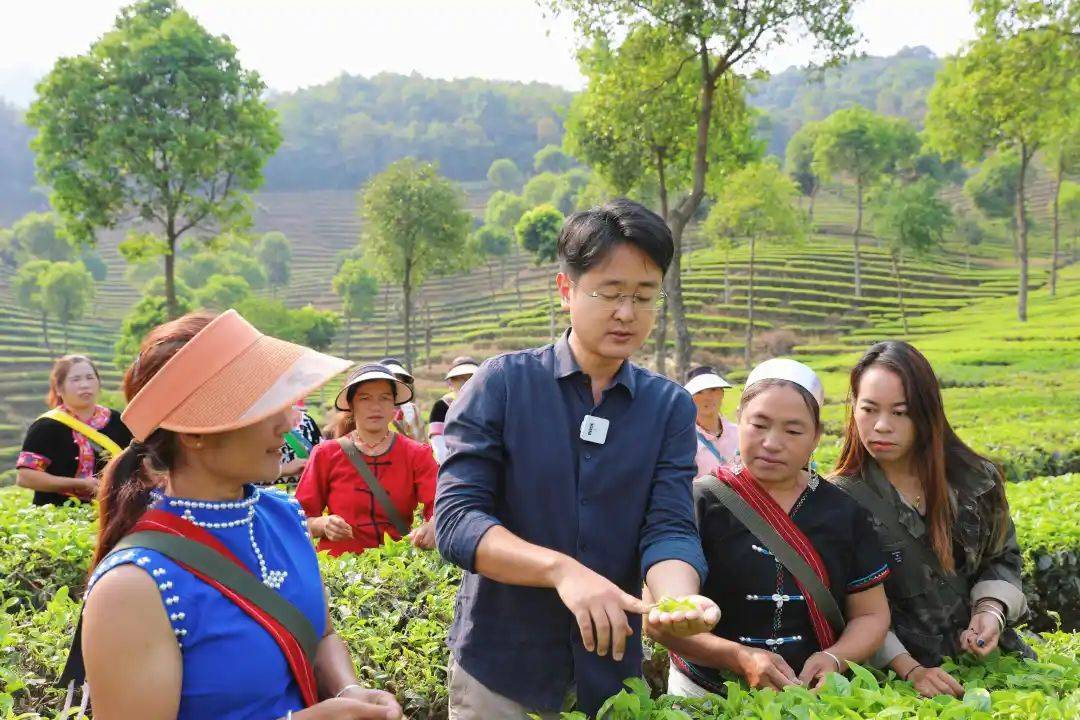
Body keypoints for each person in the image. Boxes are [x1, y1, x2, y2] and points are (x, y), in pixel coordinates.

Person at [435, 199, 720, 719]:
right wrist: (562, 571)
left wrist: (677, 601)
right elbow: (457, 522)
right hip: (501, 668)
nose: (627, 313)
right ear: (566, 290)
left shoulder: (668, 408)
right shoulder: (502, 385)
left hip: (608, 674)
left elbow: (670, 526)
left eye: (644, 296)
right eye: (610, 293)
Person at [78, 310, 403, 719]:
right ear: (194, 431)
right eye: (264, 405)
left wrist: (349, 689)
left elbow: (320, 636)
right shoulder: (132, 586)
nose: (289, 422)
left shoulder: (284, 516)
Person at [656, 358, 891, 697]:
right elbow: (663, 616)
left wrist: (835, 659)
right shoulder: (698, 502)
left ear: (816, 437)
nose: (772, 442)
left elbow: (871, 615)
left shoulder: (843, 511)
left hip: (810, 696)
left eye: (793, 431)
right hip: (704, 692)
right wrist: (736, 657)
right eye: (759, 425)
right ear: (739, 421)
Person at [831, 341, 1032, 699]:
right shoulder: (838, 499)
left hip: (992, 669)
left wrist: (991, 611)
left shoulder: (975, 480)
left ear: (927, 413)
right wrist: (908, 668)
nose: (881, 426)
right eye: (869, 409)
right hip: (892, 682)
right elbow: (843, 607)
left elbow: (1003, 558)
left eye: (901, 412)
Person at [296, 364, 438, 555]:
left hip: (398, 568)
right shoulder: (326, 453)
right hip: (340, 571)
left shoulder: (417, 454)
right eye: (365, 398)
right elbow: (297, 519)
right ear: (351, 406)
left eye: (385, 398)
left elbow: (442, 505)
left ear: (394, 406)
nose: (375, 406)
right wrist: (322, 524)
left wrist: (434, 525)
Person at [16, 354, 132, 506]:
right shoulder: (47, 426)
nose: (85, 385)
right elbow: (25, 477)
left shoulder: (118, 421)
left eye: (90, 377)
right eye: (76, 379)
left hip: (109, 514)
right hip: (58, 518)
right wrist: (79, 484)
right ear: (58, 388)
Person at [684, 365, 739, 476]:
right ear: (689, 397)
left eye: (713, 390)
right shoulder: (683, 440)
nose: (707, 398)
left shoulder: (739, 433)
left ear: (722, 393)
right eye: (699, 392)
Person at [428, 356, 478, 464]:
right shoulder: (442, 406)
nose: (467, 382)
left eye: (472, 377)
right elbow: (438, 445)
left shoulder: (488, 404)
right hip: (453, 467)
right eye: (462, 378)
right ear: (451, 382)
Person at [380, 357, 426, 442]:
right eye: (391, 379)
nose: (396, 383)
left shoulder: (413, 409)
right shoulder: (372, 410)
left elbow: (422, 440)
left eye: (399, 378)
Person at [277, 402, 323, 485]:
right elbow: (246, 473)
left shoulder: (306, 420)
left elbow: (321, 459)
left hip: (305, 492)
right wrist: (283, 470)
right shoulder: (255, 424)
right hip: (264, 495)